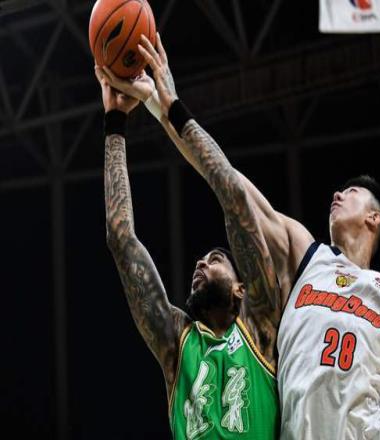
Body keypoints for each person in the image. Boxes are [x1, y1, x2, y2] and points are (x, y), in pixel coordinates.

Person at [101, 33, 380, 440]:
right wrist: (163, 105)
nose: (337, 194)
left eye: (351, 192)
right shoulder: (305, 258)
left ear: (374, 217)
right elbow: (227, 183)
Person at [95, 64, 281, 439]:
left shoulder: (261, 326)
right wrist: (115, 122)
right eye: (204, 259)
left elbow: (233, 195)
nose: (201, 262)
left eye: (216, 259)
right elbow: (120, 238)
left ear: (241, 289)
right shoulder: (178, 342)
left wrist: (173, 108)